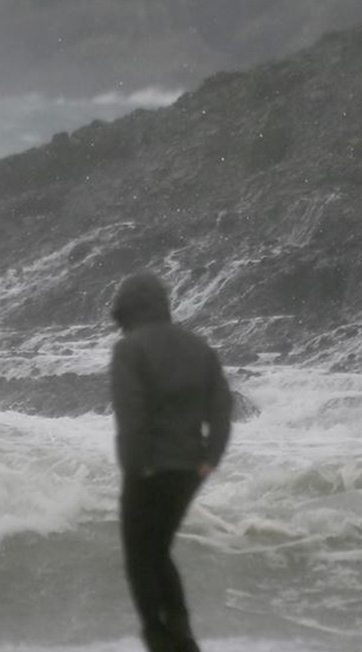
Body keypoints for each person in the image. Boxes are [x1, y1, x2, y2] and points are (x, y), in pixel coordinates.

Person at [109, 273, 233, 652]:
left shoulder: (129, 349)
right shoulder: (199, 347)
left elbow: (132, 413)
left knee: (139, 556)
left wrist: (136, 466)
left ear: (127, 309)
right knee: (158, 549)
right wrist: (211, 457)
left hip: (149, 467)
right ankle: (180, 634)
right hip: (189, 469)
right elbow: (223, 406)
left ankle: (160, 637)